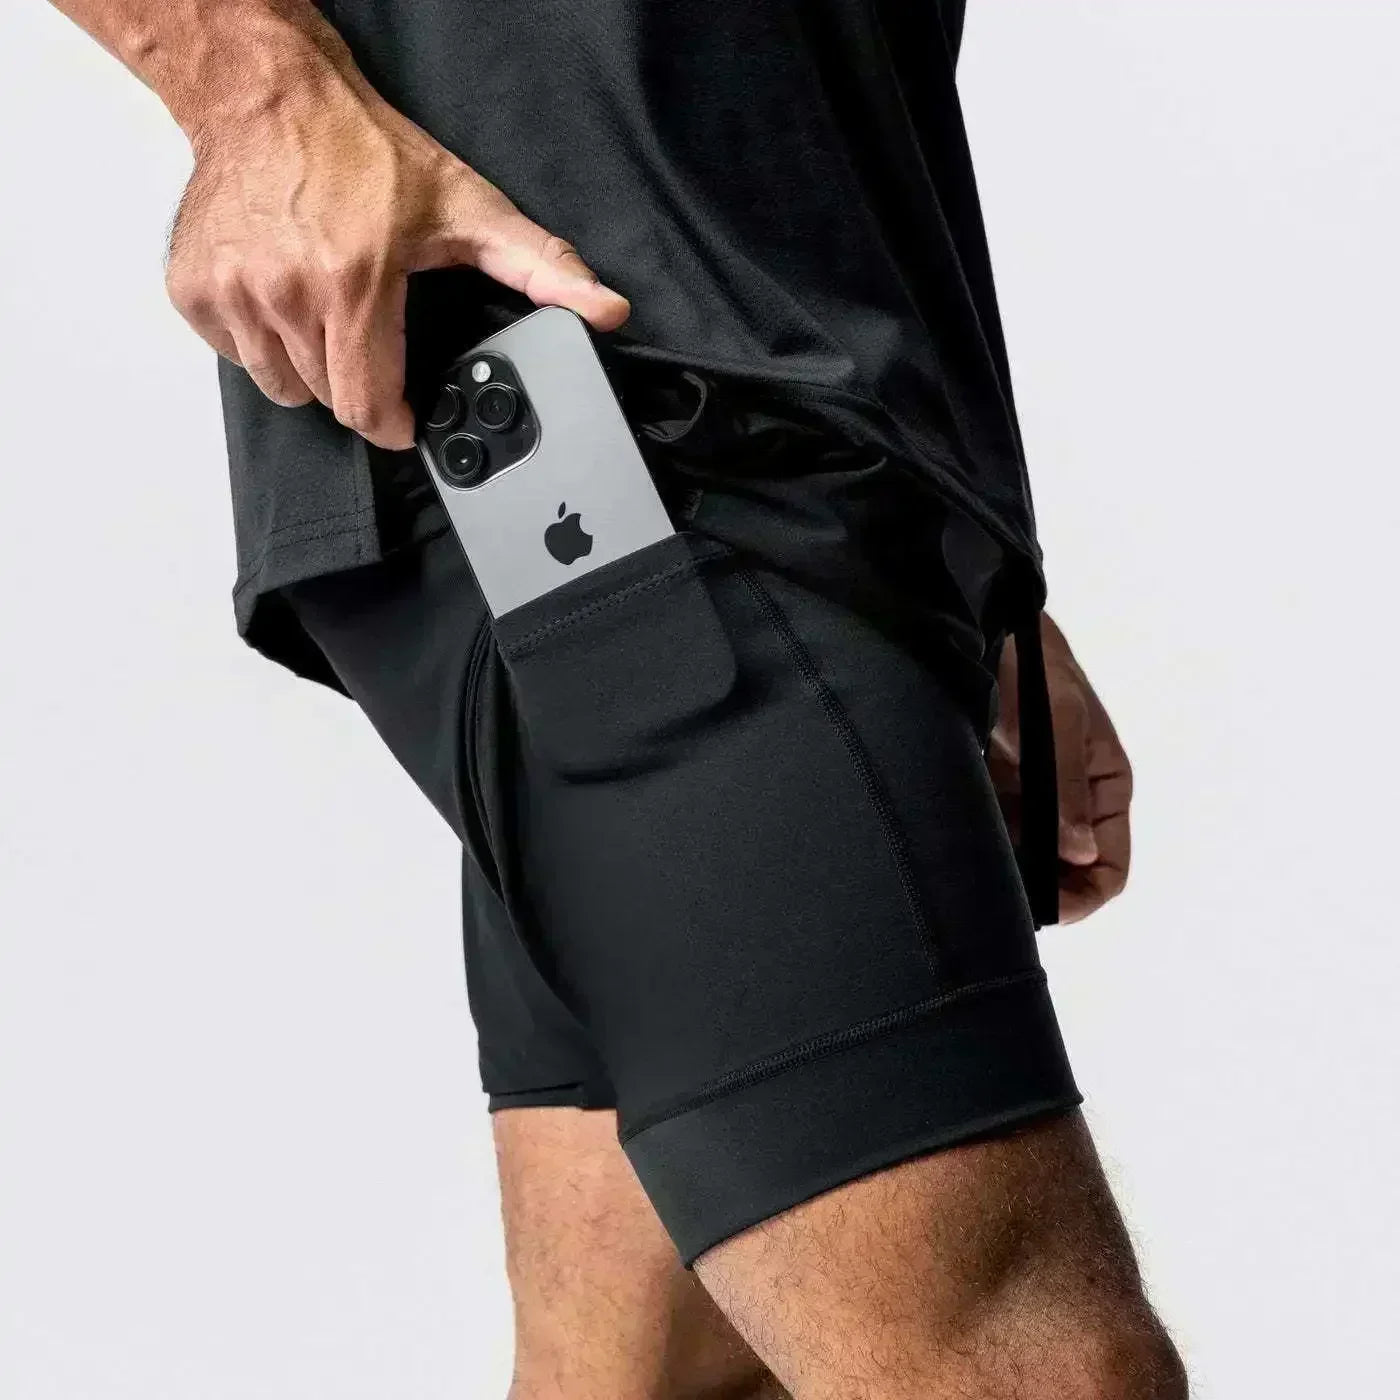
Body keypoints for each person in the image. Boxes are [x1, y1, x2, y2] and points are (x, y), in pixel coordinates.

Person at [49, 1, 1187, 1394]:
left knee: (657, 1373)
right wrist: (254, 94)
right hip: (596, 424)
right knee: (1023, 1365)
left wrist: (964, 559)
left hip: (788, 472)